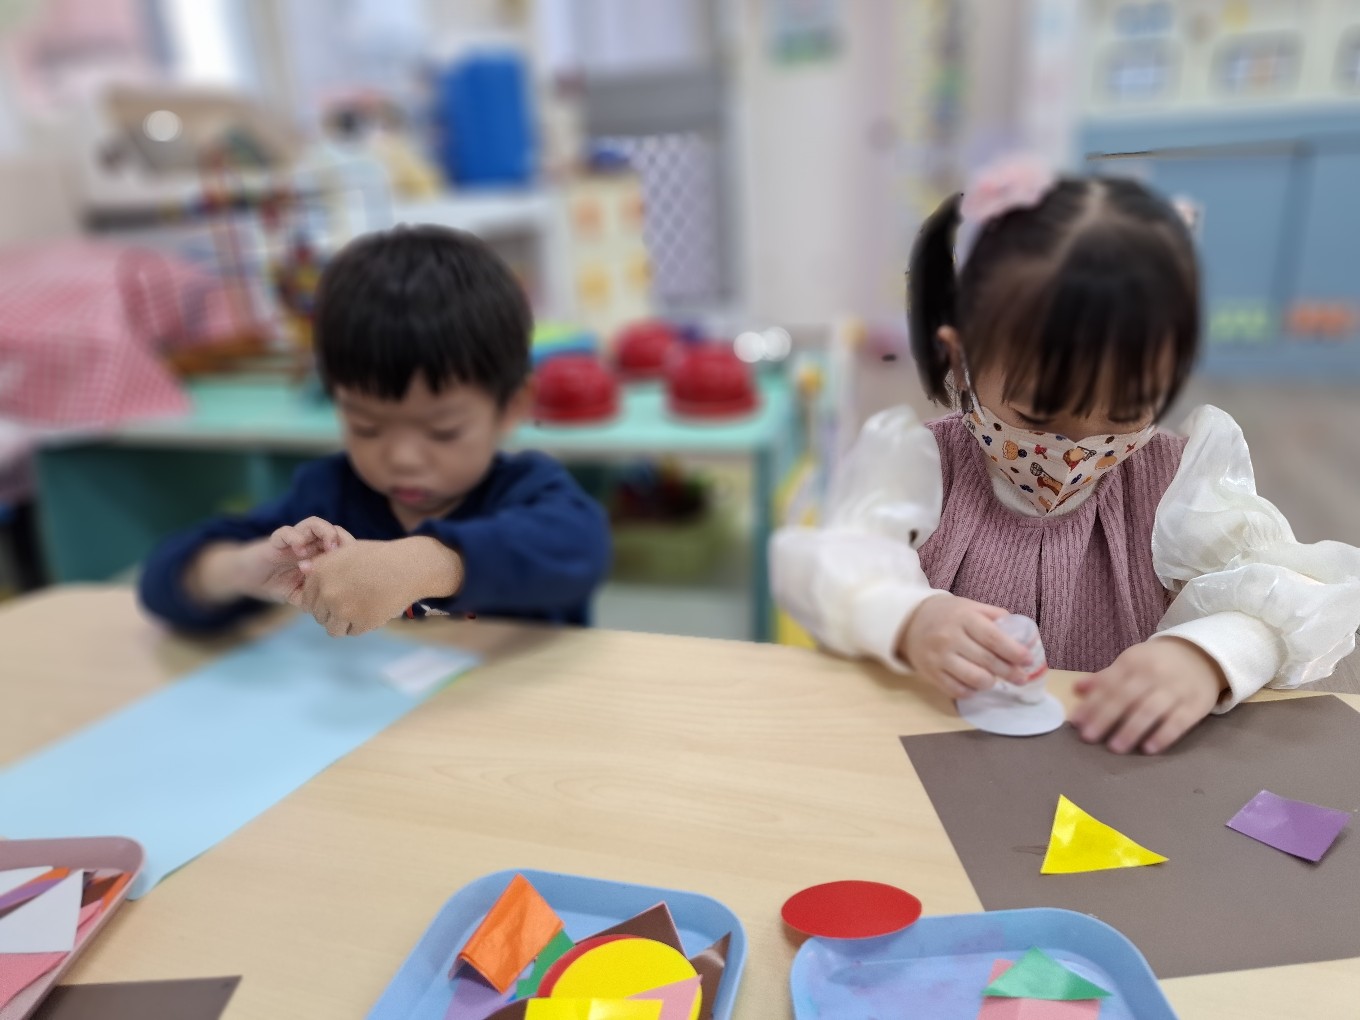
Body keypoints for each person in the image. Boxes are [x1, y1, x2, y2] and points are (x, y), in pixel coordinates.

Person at [772, 156, 1360, 754]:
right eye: (1039, 415)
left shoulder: (1179, 481)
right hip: (942, 750)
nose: (1077, 448)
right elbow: (827, 565)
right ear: (960, 358)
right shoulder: (919, 463)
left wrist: (1209, 655)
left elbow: (1294, 592)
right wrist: (907, 619)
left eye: (1126, 410)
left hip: (1116, 765)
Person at [140, 225, 610, 636]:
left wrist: (425, 563)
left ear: (512, 407)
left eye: (443, 430)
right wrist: (239, 569)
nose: (402, 457)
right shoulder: (328, 497)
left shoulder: (532, 493)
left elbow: (579, 549)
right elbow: (161, 581)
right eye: (366, 426)